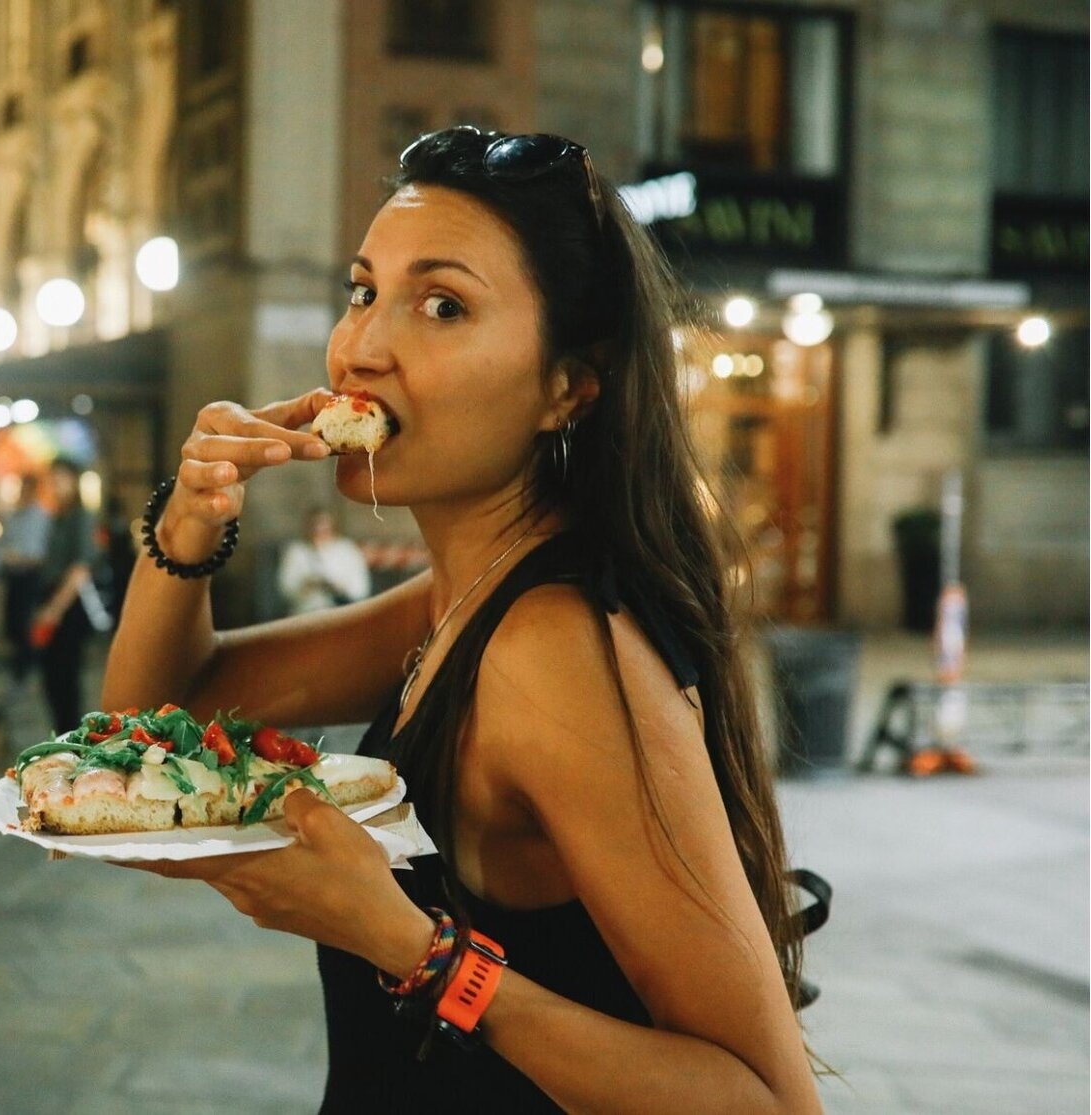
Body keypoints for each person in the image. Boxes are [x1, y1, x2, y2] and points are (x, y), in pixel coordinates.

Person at [101, 126, 823, 1110]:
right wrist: (187, 523)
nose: (361, 348)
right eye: (362, 291)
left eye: (441, 305)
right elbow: (154, 724)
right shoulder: (461, 594)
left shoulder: (546, 648)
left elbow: (764, 1100)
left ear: (566, 388)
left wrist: (413, 947)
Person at [32, 459, 98, 734]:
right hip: (54, 600)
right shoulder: (58, 516)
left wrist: (54, 610)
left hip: (68, 607)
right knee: (52, 680)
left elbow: (80, 569)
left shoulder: (81, 517)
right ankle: (61, 737)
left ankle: (69, 742)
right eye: (51, 479)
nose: (55, 485)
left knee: (65, 680)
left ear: (73, 481)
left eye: (60, 478)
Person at [0, 475, 51, 700]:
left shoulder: (42, 517)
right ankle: (21, 675)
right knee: (14, 628)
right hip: (14, 577)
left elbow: (41, 552)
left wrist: (25, 559)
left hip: (31, 577)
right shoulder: (13, 516)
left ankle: (25, 676)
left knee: (27, 628)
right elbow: (2, 546)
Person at [277, 507, 372, 615]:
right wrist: (306, 586)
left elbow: (361, 589)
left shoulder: (347, 550)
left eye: (324, 527)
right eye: (315, 526)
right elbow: (285, 589)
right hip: (305, 613)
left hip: (341, 612)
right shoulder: (296, 551)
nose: (319, 531)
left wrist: (338, 588)